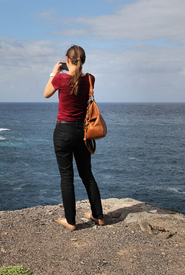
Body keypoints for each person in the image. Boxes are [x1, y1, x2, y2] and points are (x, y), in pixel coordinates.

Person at [44, 45, 104, 230]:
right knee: (87, 175)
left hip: (63, 132)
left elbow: (46, 94)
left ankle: (71, 221)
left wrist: (53, 73)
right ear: (84, 61)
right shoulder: (91, 79)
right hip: (83, 133)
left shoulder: (60, 78)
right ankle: (98, 216)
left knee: (66, 177)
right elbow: (81, 78)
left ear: (67, 61)